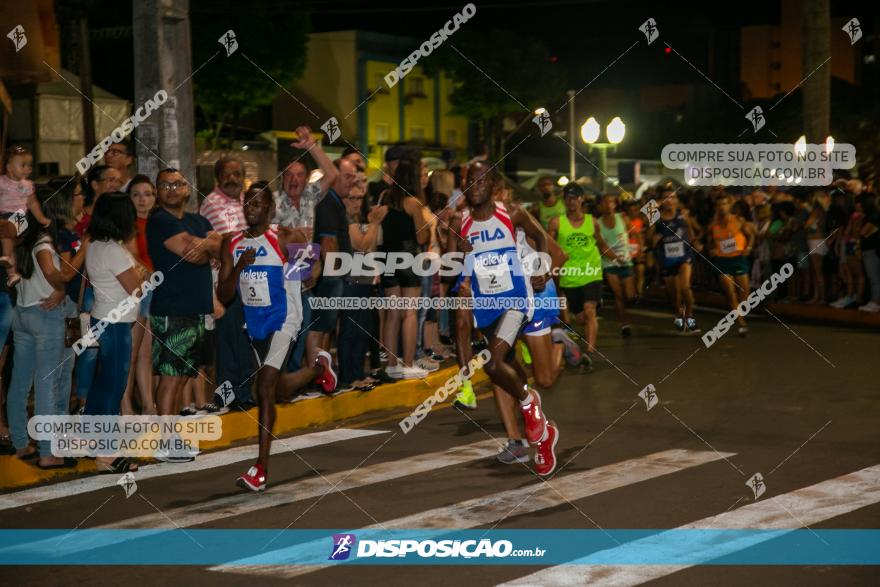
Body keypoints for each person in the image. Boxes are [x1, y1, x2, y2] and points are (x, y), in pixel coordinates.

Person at [217, 182, 333, 491]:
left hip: (285, 317)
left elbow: (313, 269)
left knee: (265, 387)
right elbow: (224, 295)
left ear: (270, 209)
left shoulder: (285, 237)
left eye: (259, 202)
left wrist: (302, 270)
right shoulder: (231, 243)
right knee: (276, 389)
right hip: (254, 324)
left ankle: (260, 469)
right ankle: (320, 370)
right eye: (248, 202)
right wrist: (240, 267)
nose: (252, 207)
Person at [447, 160, 559, 477]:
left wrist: (540, 267)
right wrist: (459, 254)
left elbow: (541, 239)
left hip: (516, 302)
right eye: (471, 179)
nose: (476, 184)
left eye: (482, 179)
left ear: (493, 184)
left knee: (496, 364)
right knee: (507, 373)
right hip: (486, 310)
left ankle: (530, 402)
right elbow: (455, 273)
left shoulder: (511, 212)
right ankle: (537, 437)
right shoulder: (461, 225)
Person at [146, 169, 221, 461]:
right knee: (171, 376)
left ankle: (172, 434)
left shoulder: (198, 221)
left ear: (187, 189)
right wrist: (205, 246)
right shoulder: (159, 221)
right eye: (164, 185)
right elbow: (194, 253)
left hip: (197, 309)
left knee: (183, 376)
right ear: (157, 191)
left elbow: (217, 246)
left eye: (177, 184)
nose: (171, 189)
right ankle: (165, 440)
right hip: (172, 308)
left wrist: (204, 246)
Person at [6, 187, 74, 469]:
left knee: (20, 382)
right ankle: (48, 451)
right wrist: (62, 285)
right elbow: (52, 273)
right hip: (45, 314)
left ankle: (21, 443)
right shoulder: (44, 242)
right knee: (48, 384)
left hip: (22, 313)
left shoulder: (20, 238)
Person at [84, 192, 144, 473]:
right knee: (114, 385)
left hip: (101, 317)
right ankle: (107, 452)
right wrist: (140, 274)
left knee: (102, 382)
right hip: (116, 323)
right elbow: (137, 289)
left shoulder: (96, 245)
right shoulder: (114, 251)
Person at [547, 183, 622, 368]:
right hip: (569, 277)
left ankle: (588, 353)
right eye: (567, 198)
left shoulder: (592, 222)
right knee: (579, 318)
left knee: (590, 310)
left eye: (575, 197)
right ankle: (580, 327)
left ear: (581, 199)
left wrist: (617, 258)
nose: (571, 201)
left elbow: (602, 245)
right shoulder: (557, 222)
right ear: (564, 200)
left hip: (591, 274)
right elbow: (547, 245)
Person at [200, 157, 254, 409]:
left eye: (237, 173)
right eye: (227, 174)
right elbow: (220, 244)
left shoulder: (246, 201)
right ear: (217, 178)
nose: (232, 178)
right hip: (225, 282)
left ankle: (244, 393)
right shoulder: (212, 203)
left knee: (245, 339)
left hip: (250, 282)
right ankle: (227, 395)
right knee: (228, 343)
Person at [378, 159, 433, 379]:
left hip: (387, 260)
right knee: (409, 313)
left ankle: (391, 365)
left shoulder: (384, 198)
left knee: (392, 315)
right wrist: (428, 228)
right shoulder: (414, 203)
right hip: (408, 259)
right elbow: (421, 236)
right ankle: (408, 364)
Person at [305, 158, 357, 393]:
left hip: (334, 276)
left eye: (353, 177)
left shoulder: (336, 203)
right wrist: (337, 275)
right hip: (329, 277)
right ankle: (312, 377)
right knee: (320, 328)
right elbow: (327, 243)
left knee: (327, 329)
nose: (351, 182)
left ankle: (323, 375)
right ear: (335, 178)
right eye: (347, 176)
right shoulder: (327, 204)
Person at [336, 181, 387, 391]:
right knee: (351, 330)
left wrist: (372, 223)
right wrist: (374, 223)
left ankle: (357, 373)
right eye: (352, 198)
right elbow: (361, 244)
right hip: (351, 281)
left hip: (364, 281)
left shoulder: (359, 220)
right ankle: (349, 376)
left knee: (362, 330)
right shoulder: (345, 220)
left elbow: (373, 247)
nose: (356, 202)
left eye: (359, 198)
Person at [122, 175, 157, 414]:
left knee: (146, 354)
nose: (142, 199)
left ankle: (148, 405)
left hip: (154, 290)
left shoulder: (158, 222)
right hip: (136, 290)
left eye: (147, 194)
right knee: (131, 354)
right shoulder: (127, 225)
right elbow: (132, 260)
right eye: (136, 194)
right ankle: (125, 406)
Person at [649, 186, 703, 332]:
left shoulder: (683, 215)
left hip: (685, 256)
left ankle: (690, 316)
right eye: (666, 198)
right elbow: (648, 237)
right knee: (674, 295)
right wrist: (654, 239)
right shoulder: (656, 218)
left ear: (677, 200)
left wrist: (696, 241)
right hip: (667, 259)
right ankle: (679, 315)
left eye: (673, 197)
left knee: (685, 287)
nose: (670, 201)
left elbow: (696, 231)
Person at [0, 145, 50, 286]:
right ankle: (12, 274)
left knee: (6, 232)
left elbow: (33, 203)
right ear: (9, 167)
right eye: (23, 165)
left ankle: (8, 260)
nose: (28, 168)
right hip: (4, 215)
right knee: (7, 239)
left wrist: (41, 218)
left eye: (29, 165)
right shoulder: (2, 182)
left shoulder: (28, 185)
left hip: (21, 217)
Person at [708, 193, 756, 335]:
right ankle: (741, 323)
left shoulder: (739, 221)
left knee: (745, 295)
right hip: (722, 261)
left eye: (725, 204)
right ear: (716, 207)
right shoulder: (713, 225)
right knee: (730, 293)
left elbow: (751, 235)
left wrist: (749, 247)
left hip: (739, 260)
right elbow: (710, 240)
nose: (722, 207)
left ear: (730, 206)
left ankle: (740, 315)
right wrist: (711, 249)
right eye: (719, 205)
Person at [598, 194, 636, 336]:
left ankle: (626, 314)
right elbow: (601, 245)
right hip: (609, 263)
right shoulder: (598, 223)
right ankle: (624, 324)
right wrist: (615, 257)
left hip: (626, 262)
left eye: (611, 202)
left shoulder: (623, 219)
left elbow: (636, 234)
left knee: (629, 296)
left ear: (615, 204)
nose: (608, 205)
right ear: (600, 206)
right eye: (605, 202)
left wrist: (637, 249)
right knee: (618, 294)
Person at [856, 193, 880, 312]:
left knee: (874, 277)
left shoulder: (873, 216)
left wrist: (860, 220)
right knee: (873, 277)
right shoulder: (871, 216)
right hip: (869, 249)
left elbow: (862, 232)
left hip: (872, 250)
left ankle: (876, 302)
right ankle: (874, 301)